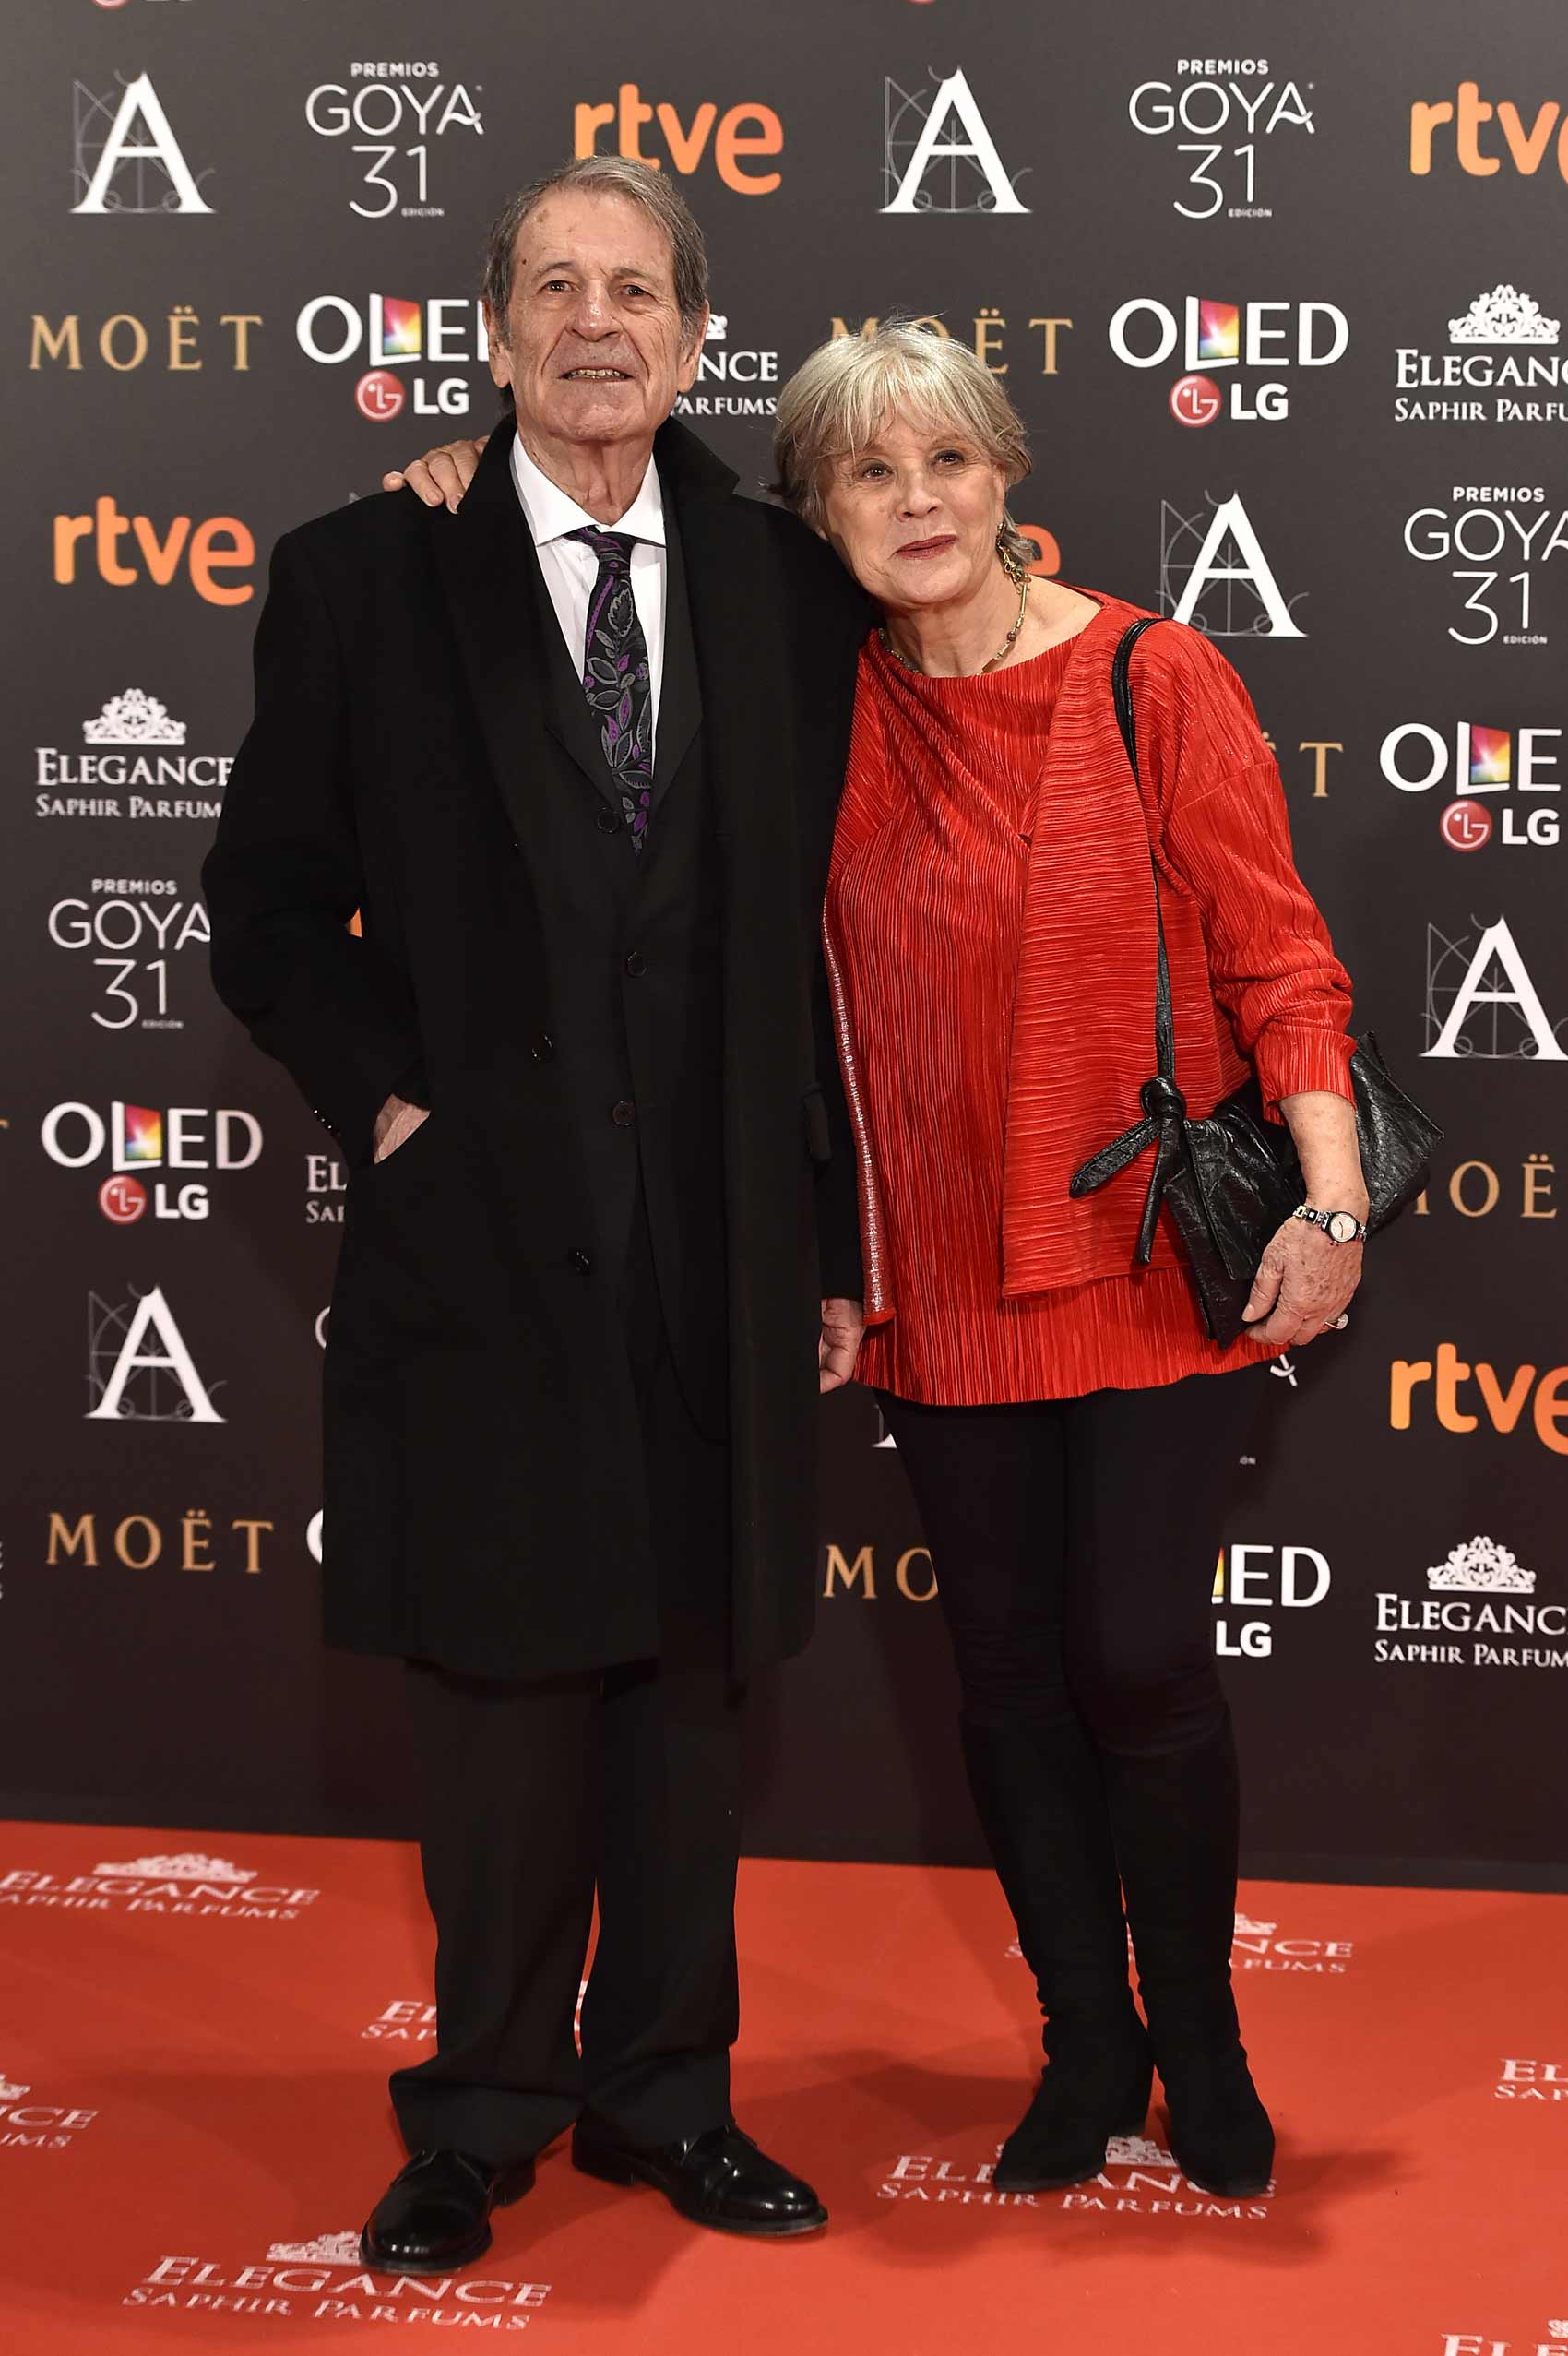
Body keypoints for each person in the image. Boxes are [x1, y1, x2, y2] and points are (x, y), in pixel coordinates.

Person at [391, 324, 1367, 2200]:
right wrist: (450, 484)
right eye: (865, 471)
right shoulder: (810, 700)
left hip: (1155, 1261)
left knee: (1137, 1654)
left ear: (1005, 475)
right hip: (936, 1271)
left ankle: (1207, 2043)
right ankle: (1085, 2051)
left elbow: (1281, 962)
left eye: (943, 462)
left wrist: (1325, 1208)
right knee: (1001, 1674)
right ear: (816, 510)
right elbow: (585, 535)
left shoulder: (1156, 675)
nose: (912, 502)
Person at [202, 158, 871, 2275]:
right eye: (558, 289)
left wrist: (833, 1239)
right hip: (480, 1245)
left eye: (641, 291)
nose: (602, 323)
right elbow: (266, 909)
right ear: (491, 332)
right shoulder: (360, 574)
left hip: (722, 1248)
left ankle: (667, 2093)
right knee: (498, 1717)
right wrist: (388, 1101)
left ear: (694, 339)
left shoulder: (789, 587)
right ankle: (479, 2108)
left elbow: (834, 939)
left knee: (687, 1699)